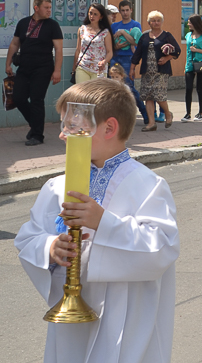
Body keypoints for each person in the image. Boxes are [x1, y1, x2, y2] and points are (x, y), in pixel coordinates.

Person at [14, 79, 179, 363]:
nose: (63, 135)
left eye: (73, 127)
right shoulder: (57, 186)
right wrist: (50, 249)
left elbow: (162, 248)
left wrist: (104, 222)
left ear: (109, 128)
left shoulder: (147, 184)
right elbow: (29, 236)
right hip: (70, 326)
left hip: (125, 319)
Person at [6, 0, 63, 146]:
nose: (49, 10)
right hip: (24, 67)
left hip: (43, 68)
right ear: (36, 8)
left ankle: (37, 135)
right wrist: (8, 64)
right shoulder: (23, 23)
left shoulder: (53, 25)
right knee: (18, 98)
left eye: (50, 8)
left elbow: (58, 49)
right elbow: (14, 44)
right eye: (46, 7)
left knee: (37, 99)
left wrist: (57, 71)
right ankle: (35, 125)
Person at [130, 11, 180, 131]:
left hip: (161, 71)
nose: (156, 23)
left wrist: (167, 58)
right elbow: (137, 54)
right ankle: (151, 123)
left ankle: (167, 113)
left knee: (159, 95)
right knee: (148, 96)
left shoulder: (167, 35)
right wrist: (132, 68)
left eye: (158, 20)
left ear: (162, 22)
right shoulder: (144, 36)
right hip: (147, 71)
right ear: (148, 22)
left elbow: (177, 51)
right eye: (153, 20)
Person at [182, 15, 202, 122]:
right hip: (189, 65)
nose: (188, 24)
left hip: (201, 64)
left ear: (195, 23)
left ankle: (201, 113)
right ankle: (187, 113)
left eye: (189, 22)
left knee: (199, 89)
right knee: (188, 88)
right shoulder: (188, 35)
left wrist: (197, 50)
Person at [74, 4, 113, 83]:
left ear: (101, 16)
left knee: (95, 94)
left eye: (95, 14)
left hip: (98, 69)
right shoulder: (82, 29)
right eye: (90, 13)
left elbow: (110, 52)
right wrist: (74, 66)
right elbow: (78, 49)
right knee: (82, 93)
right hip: (83, 66)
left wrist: (104, 61)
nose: (92, 16)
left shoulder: (105, 32)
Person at [110, 0, 142, 75]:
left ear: (131, 10)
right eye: (123, 10)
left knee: (128, 82)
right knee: (114, 81)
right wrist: (116, 47)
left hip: (129, 56)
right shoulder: (114, 26)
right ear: (120, 12)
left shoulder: (136, 25)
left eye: (127, 10)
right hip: (115, 56)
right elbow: (110, 42)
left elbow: (136, 42)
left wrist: (123, 32)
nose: (125, 13)